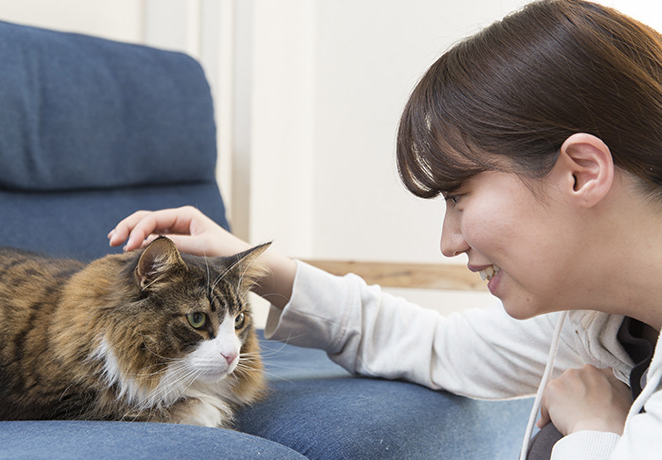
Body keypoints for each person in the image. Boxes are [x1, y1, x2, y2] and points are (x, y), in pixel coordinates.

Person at [107, 0, 662, 458]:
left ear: (581, 173)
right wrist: (256, 269)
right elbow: (436, 346)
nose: (448, 242)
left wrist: (596, 432)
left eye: (458, 197)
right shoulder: (597, 319)